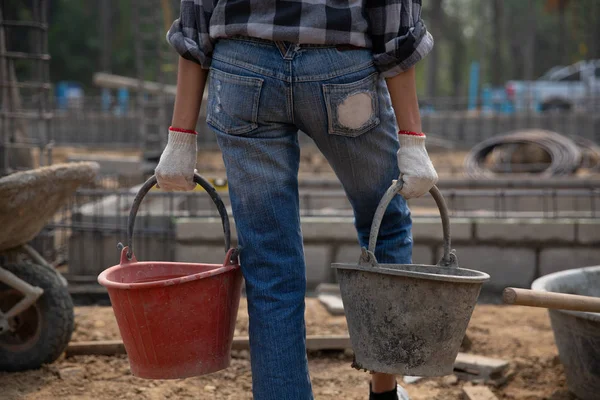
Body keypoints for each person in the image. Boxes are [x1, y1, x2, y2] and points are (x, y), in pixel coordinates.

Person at [155, 1, 438, 399]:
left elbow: (195, 22)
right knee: (384, 223)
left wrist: (181, 134)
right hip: (339, 70)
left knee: (269, 260)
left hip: (242, 71)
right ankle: (385, 391)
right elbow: (395, 24)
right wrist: (412, 139)